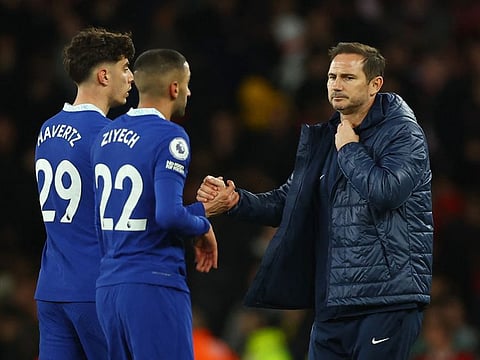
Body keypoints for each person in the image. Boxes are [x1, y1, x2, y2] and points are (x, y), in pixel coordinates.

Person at [197, 42, 434, 360]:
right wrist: (237, 200)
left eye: (348, 77)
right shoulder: (330, 136)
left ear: (375, 84)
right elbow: (288, 202)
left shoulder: (402, 133)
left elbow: (388, 192)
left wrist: (350, 150)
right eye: (332, 76)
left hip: (385, 299)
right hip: (332, 301)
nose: (336, 85)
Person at [91, 48, 218, 360]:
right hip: (152, 284)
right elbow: (169, 215)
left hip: (108, 288)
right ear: (174, 87)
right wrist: (204, 219)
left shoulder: (104, 136)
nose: (189, 91)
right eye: (187, 83)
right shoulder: (169, 137)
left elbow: (98, 221)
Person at [34, 27, 134, 359]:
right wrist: (202, 214)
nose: (131, 77)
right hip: (96, 290)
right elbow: (136, 215)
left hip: (51, 290)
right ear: (104, 75)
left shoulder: (46, 130)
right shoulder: (110, 137)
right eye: (124, 67)